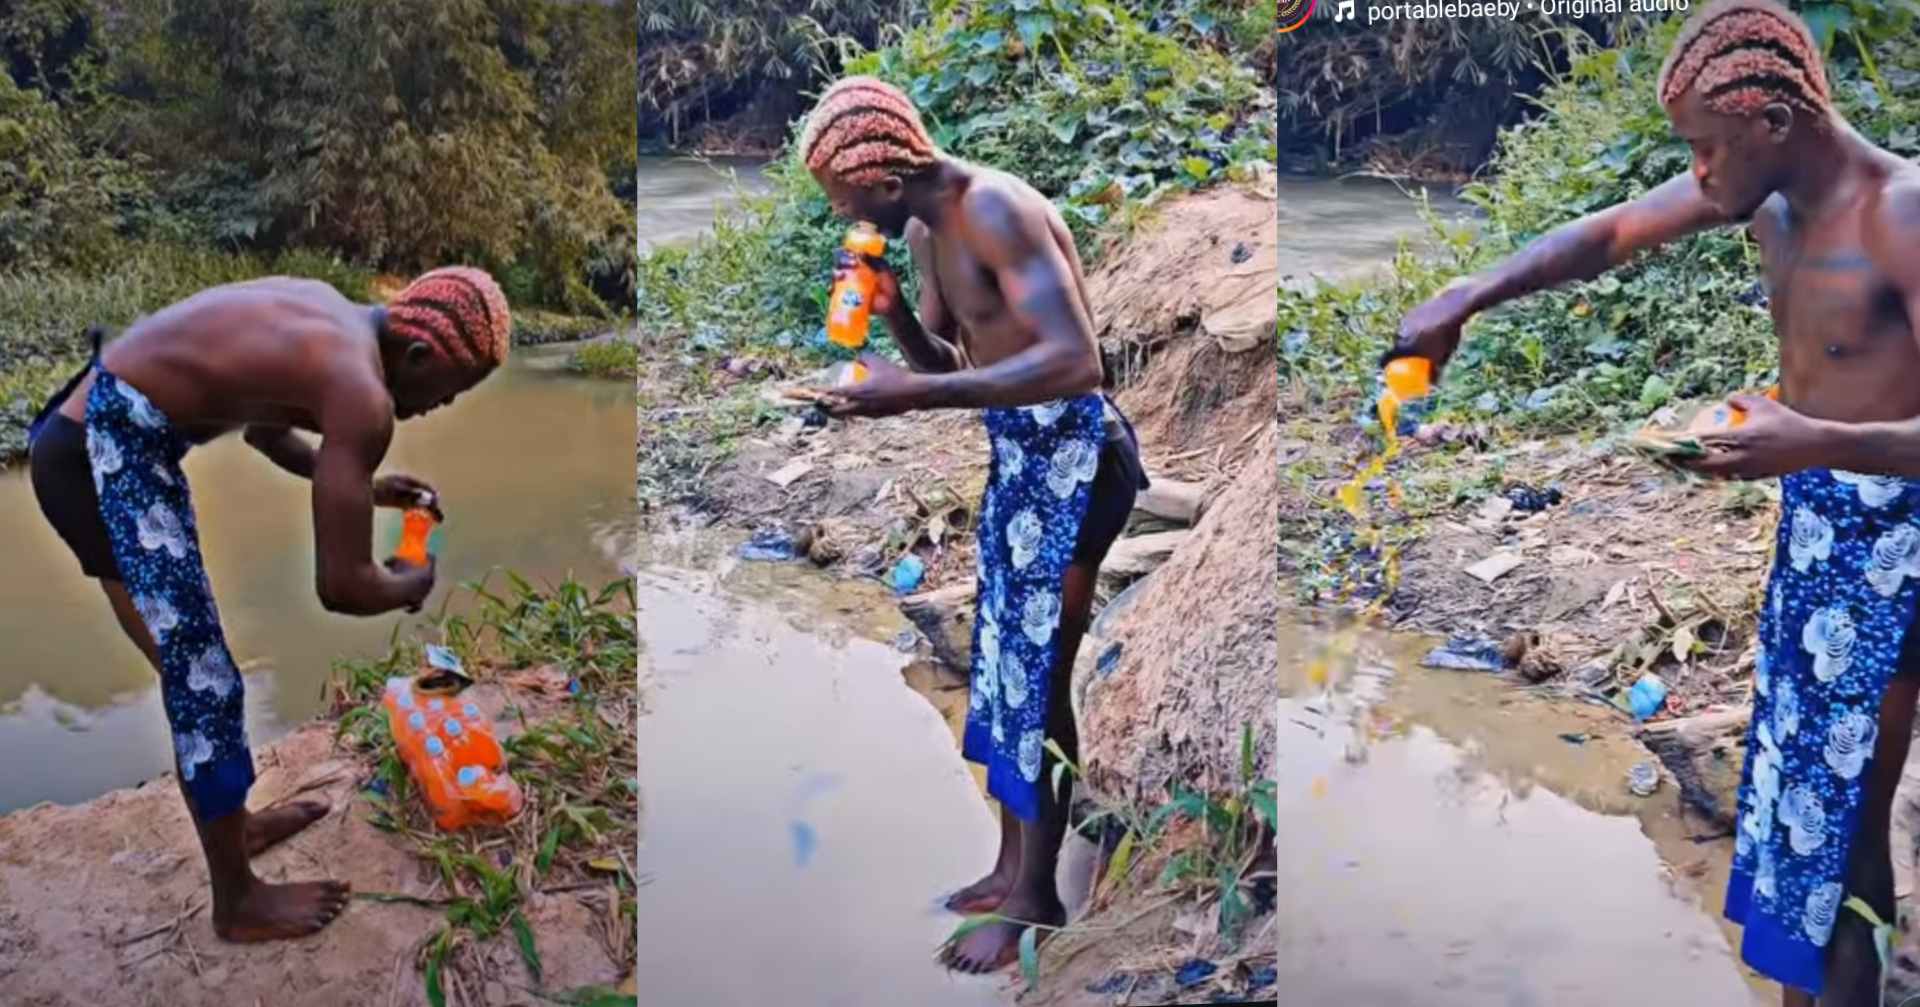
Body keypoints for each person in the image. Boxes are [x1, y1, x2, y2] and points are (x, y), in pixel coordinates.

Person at [1390, 2, 1920, 1002]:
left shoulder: (1900, 214)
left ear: (1775, 120)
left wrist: (1814, 438)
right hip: (1821, 540)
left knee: (1847, 819)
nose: (1699, 174)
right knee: (1798, 796)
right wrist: (1469, 292)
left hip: (1905, 554)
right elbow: (1607, 235)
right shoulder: (1762, 199)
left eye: (1707, 150)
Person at [26, 267, 511, 942]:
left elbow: (264, 433)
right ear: (421, 356)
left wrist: (362, 487)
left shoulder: (332, 317)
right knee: (202, 678)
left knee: (194, 670)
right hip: (97, 453)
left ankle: (238, 826)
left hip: (90, 425)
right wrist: (411, 578)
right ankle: (237, 901)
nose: (437, 408)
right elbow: (341, 585)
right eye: (449, 394)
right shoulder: (362, 394)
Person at [798, 76, 1149, 972]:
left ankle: (1039, 902)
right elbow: (960, 360)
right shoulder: (920, 229)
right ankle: (1007, 865)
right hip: (1019, 460)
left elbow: (1076, 363)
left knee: (1038, 670)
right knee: (1000, 661)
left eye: (841, 198)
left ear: (879, 177)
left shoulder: (994, 210)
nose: (844, 214)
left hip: (1078, 461)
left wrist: (915, 392)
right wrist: (897, 319)